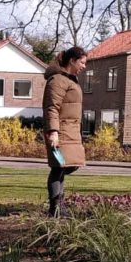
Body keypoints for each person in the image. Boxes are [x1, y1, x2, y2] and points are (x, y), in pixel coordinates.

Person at [43, 46, 87, 217]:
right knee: (58, 167)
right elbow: (51, 107)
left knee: (69, 165)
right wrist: (53, 131)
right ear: (72, 61)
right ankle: (56, 207)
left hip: (71, 132)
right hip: (60, 133)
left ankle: (58, 206)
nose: (84, 66)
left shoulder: (70, 80)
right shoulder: (58, 81)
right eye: (82, 62)